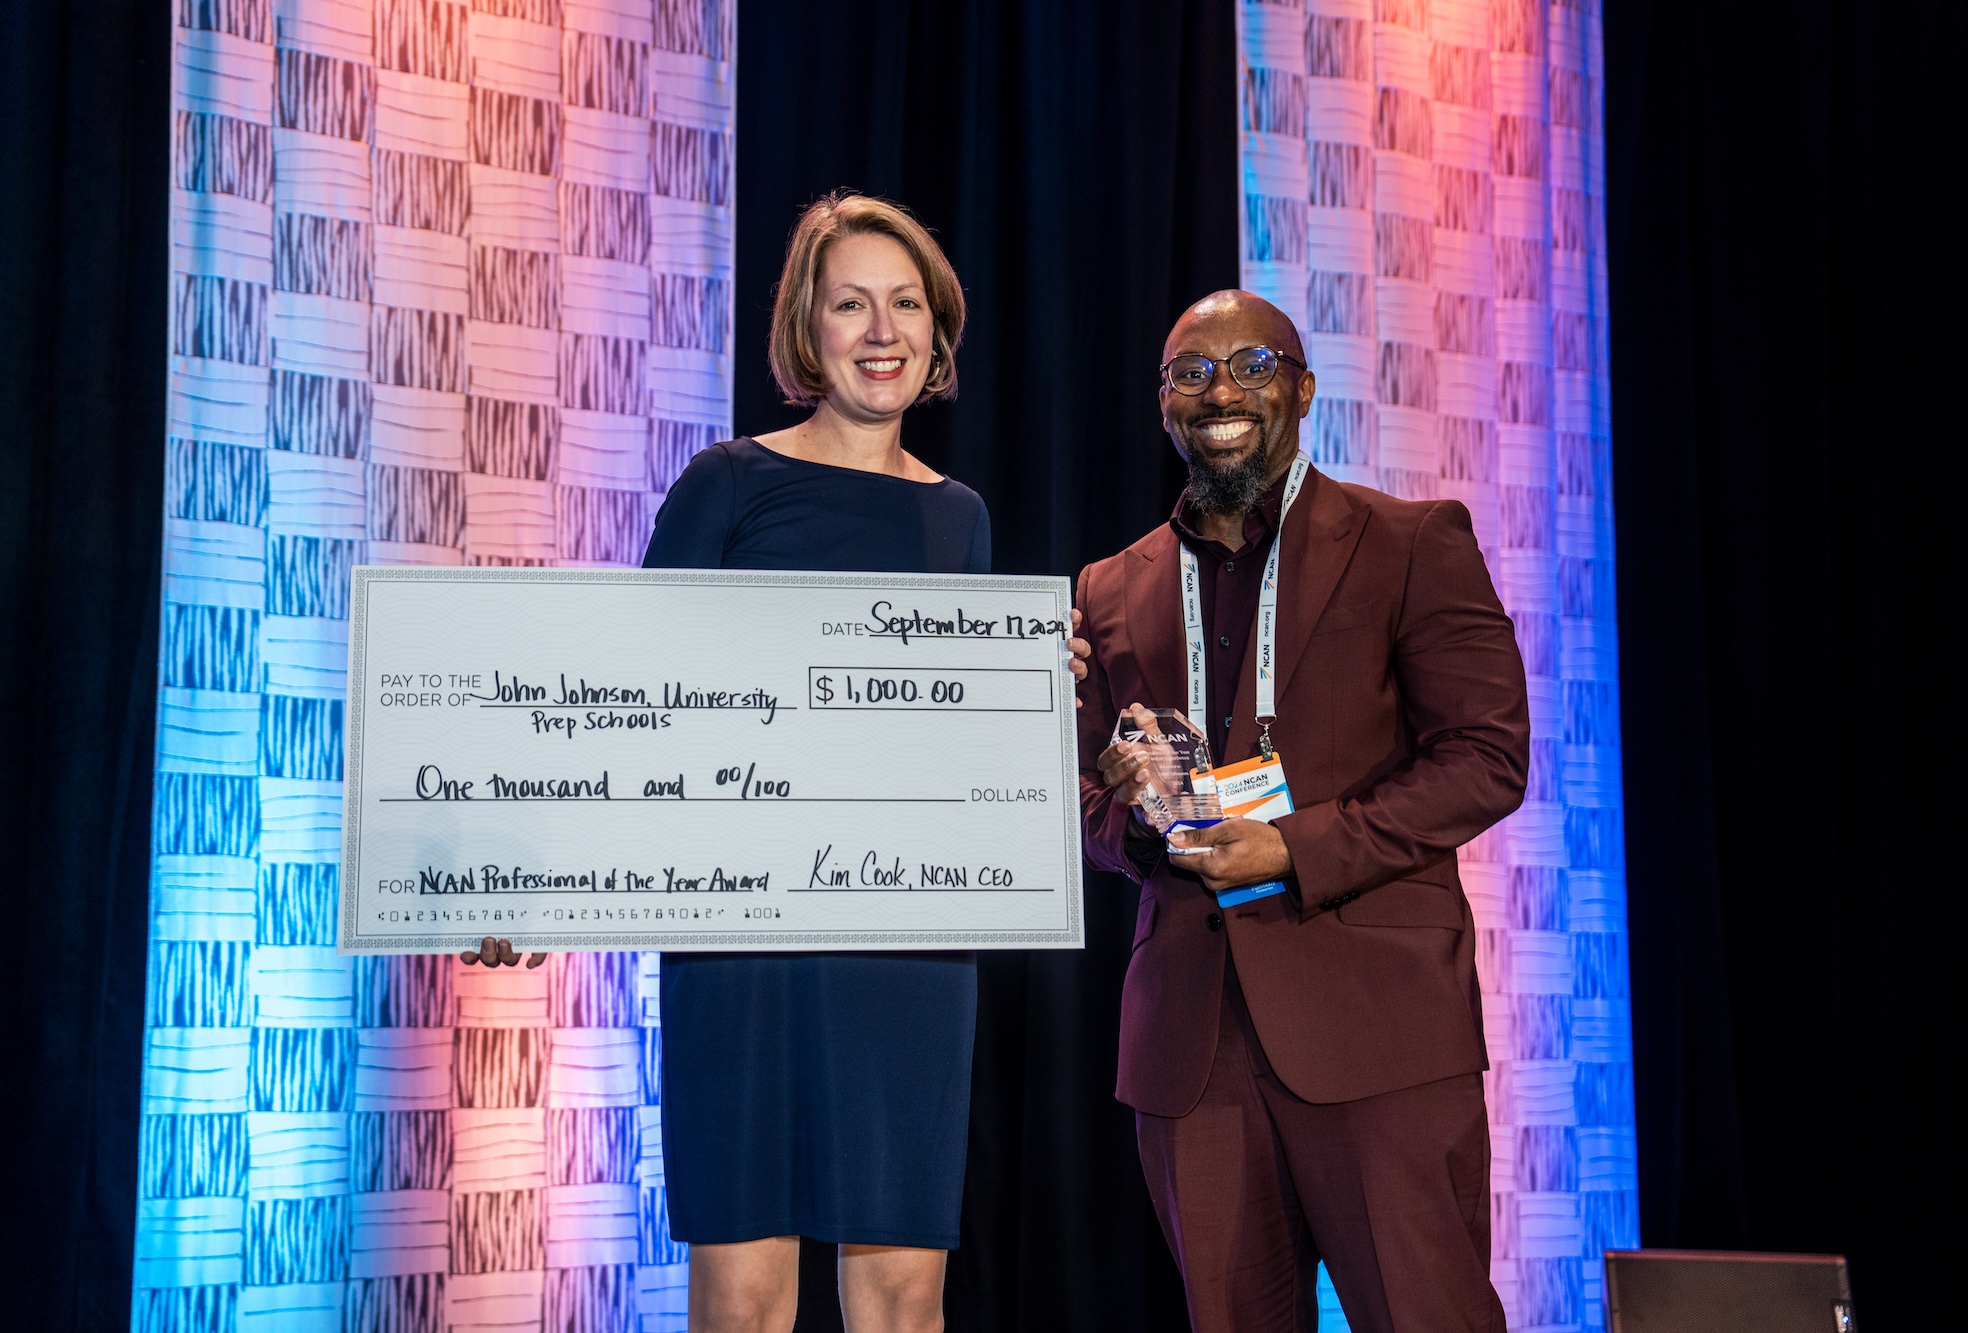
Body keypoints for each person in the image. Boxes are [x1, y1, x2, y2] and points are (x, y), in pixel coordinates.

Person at [637, 192, 1087, 1333]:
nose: (880, 330)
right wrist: (536, 881)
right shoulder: (725, 486)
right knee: (743, 1300)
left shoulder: (960, 519)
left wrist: (1026, 697)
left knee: (900, 1297)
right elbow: (625, 709)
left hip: (904, 941)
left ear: (937, 330)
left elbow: (933, 739)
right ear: (808, 327)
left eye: (904, 304)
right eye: (850, 304)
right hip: (742, 942)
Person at [1075, 290, 1529, 1333]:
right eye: (1190, 372)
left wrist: (1291, 846)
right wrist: (1140, 825)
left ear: (1303, 389)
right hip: (1190, 1045)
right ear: (1161, 404)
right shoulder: (1108, 589)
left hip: (1378, 1028)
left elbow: (1485, 757)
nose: (1220, 391)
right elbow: (1088, 803)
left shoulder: (1411, 541)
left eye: (1251, 366)